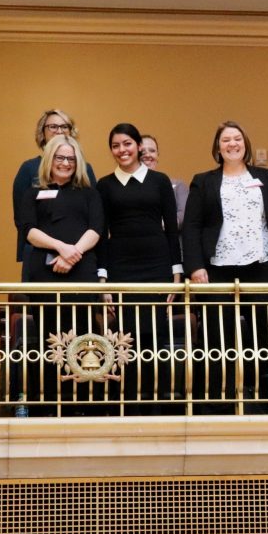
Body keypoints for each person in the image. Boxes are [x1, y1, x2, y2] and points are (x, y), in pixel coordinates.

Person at [182, 121, 268, 412]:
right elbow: (191, 227)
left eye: (237, 139)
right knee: (218, 339)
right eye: (226, 140)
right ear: (217, 148)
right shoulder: (203, 181)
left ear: (245, 144)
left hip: (264, 267)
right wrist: (195, 267)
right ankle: (219, 404)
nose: (232, 144)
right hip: (218, 270)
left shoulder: (267, 178)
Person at [97, 123, 183, 413]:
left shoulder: (160, 181)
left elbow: (172, 229)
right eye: (116, 145)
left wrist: (176, 272)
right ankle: (128, 406)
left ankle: (157, 406)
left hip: (157, 265)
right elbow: (101, 233)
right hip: (121, 267)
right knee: (126, 338)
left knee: (156, 337)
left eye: (127, 144)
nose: (122, 150)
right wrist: (103, 279)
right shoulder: (104, 185)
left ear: (138, 146)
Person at [16, 134, 103, 414]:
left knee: (85, 338)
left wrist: (73, 253)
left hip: (82, 272)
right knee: (49, 337)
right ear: (49, 159)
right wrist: (61, 248)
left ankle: (85, 405)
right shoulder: (33, 193)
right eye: (60, 157)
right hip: (45, 273)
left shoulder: (90, 193)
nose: (65, 163)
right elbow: (28, 230)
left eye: (71, 158)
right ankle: (48, 405)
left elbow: (96, 229)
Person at [12, 109, 96, 281]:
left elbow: (94, 217)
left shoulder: (85, 169)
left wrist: (72, 253)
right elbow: (22, 219)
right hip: (38, 252)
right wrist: (57, 248)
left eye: (64, 127)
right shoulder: (28, 168)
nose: (59, 131)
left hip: (79, 255)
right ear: (42, 132)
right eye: (53, 126)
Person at [140, 133, 189, 230]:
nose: (148, 155)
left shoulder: (178, 186)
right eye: (142, 152)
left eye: (152, 151)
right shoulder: (128, 187)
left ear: (157, 156)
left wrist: (154, 225)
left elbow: (184, 215)